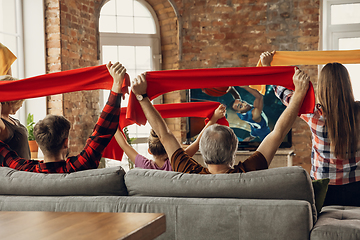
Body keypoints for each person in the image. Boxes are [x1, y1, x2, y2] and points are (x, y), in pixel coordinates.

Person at [131, 68, 309, 174]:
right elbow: (277, 134)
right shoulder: (249, 172)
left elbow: (164, 134)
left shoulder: (186, 170)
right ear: (234, 150)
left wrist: (142, 96)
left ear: (202, 148)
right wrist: (299, 93)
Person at [261, 51, 360, 206]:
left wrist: (267, 66)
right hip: (356, 187)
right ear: (348, 84)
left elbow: (282, 92)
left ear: (323, 86)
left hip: (324, 189)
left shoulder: (313, 113)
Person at [0, 62, 126, 173]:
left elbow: (5, 152)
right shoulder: (79, 167)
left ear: (38, 144)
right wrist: (116, 85)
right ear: (66, 143)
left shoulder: (25, 171)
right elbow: (102, 133)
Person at [114, 104, 226, 171]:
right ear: (168, 149)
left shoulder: (143, 165)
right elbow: (197, 143)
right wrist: (214, 118)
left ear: (150, 150)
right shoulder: (177, 162)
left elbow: (124, 145)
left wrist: (110, 119)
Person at [0, 76, 30, 159]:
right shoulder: (2, 124)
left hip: (24, 169)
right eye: (19, 101)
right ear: (10, 101)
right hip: (13, 171)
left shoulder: (12, 120)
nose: (20, 105)